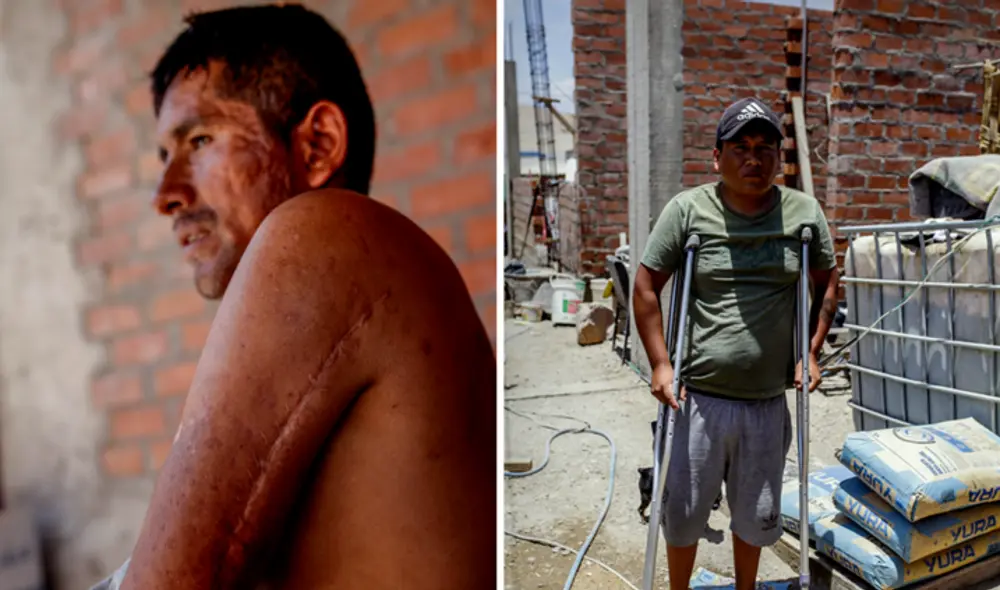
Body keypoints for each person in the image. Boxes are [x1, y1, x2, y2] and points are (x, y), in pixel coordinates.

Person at [91, 5, 496, 589]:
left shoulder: (323, 233)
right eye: (163, 157)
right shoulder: (379, 273)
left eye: (199, 139)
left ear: (317, 145)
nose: (166, 194)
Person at [632, 96, 840, 590]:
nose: (754, 158)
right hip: (697, 400)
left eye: (766, 148)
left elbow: (827, 279)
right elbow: (645, 286)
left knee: (757, 514)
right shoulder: (687, 210)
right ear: (717, 156)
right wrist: (661, 364)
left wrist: (809, 351)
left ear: (779, 157)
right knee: (681, 512)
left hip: (766, 403)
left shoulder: (804, 214)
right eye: (741, 147)